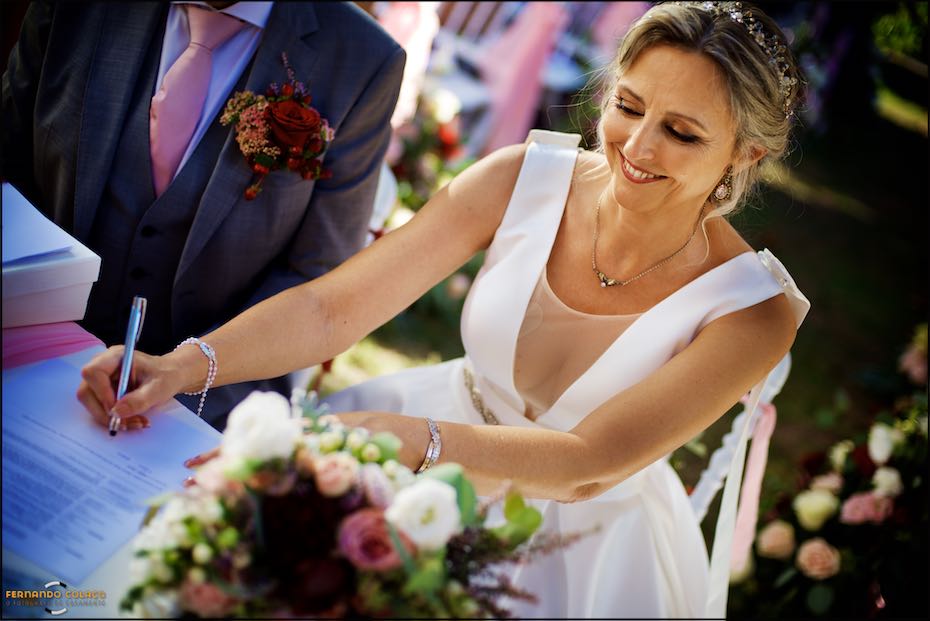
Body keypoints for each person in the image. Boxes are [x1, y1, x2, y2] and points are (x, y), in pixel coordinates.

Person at [75, 2, 811, 616]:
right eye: (627, 105)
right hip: (418, 437)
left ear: (745, 154)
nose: (637, 147)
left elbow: (588, 465)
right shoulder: (522, 174)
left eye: (682, 133)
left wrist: (412, 441)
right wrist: (183, 365)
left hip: (582, 548)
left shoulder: (756, 310)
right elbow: (335, 310)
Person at [0, 1, 405, 429]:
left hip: (196, 410)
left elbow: (316, 278)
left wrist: (185, 395)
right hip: (20, 351)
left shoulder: (363, 60)